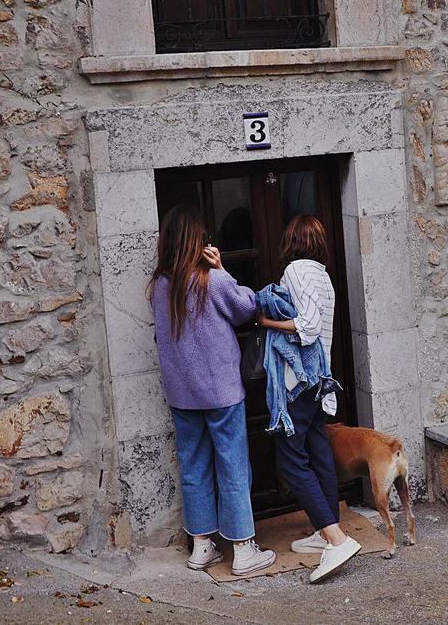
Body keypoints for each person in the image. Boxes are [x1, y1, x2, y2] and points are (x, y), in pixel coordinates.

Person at [148, 205, 276, 576]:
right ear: (197, 242)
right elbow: (247, 308)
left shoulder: (161, 285)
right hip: (220, 391)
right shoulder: (211, 280)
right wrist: (222, 268)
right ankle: (242, 549)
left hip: (182, 394)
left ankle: (202, 546)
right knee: (233, 465)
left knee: (193, 465)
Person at [257, 215, 361, 584]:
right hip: (319, 381)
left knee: (290, 460)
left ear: (291, 241)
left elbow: (309, 327)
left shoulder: (296, 270)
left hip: (299, 382)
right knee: (318, 454)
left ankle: (335, 539)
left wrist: (266, 323)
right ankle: (324, 528)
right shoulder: (322, 274)